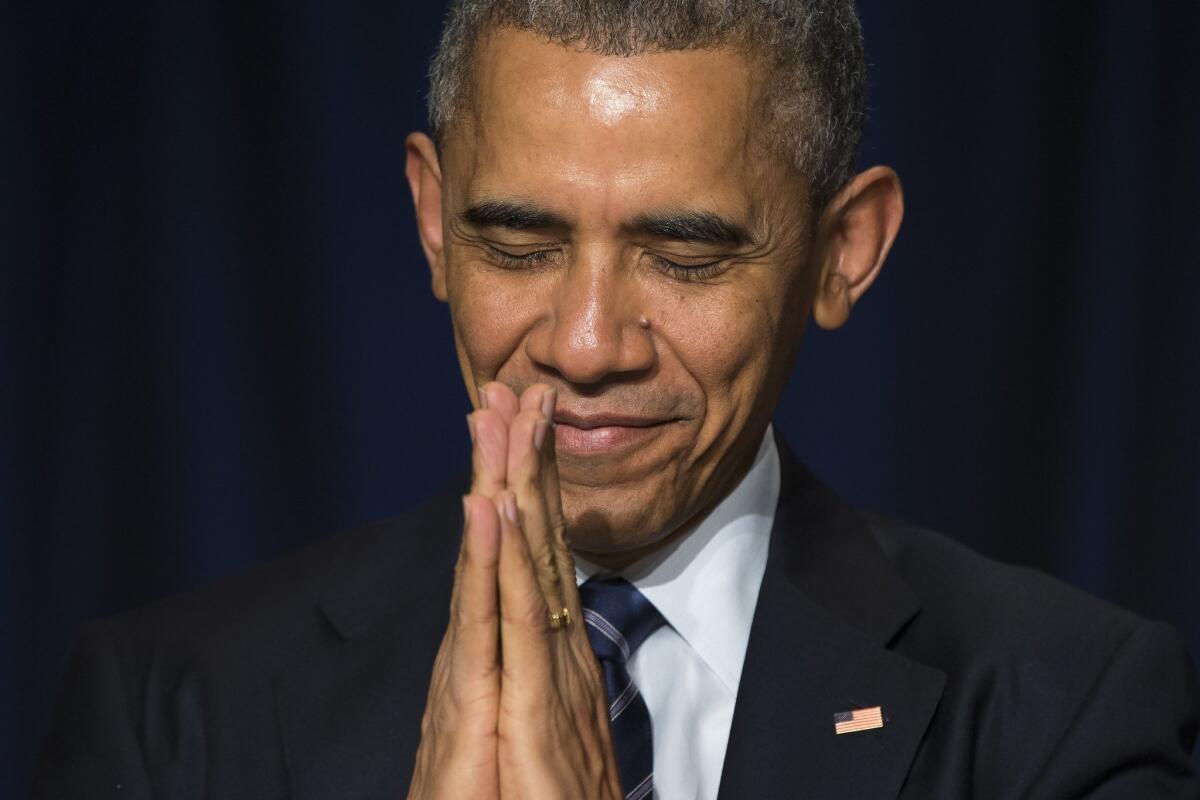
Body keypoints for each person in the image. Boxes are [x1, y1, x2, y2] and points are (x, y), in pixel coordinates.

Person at [33, 1, 1199, 798]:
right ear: (434, 222)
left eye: (684, 258)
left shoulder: (1066, 720)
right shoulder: (168, 714)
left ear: (843, 251)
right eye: (518, 243)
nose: (585, 348)